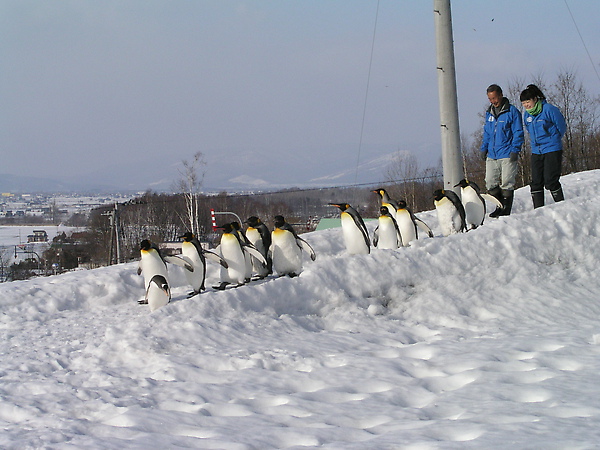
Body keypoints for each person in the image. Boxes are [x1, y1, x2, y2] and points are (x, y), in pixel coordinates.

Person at [480, 84, 524, 217]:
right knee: (490, 182)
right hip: (492, 154)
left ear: (500, 95)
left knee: (506, 182)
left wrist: (515, 149)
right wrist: (484, 148)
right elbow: (487, 132)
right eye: (490, 99)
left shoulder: (512, 112)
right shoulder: (489, 113)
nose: (493, 101)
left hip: (507, 152)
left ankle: (506, 211)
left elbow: (518, 132)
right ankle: (499, 206)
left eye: (494, 98)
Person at [520, 84, 567, 208]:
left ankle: (561, 205)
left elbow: (561, 126)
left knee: (550, 180)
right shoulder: (527, 115)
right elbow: (529, 130)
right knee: (536, 182)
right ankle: (538, 210)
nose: (526, 105)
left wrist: (554, 138)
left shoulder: (549, 109)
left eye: (528, 101)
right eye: (523, 103)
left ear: (535, 99)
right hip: (536, 150)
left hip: (552, 148)